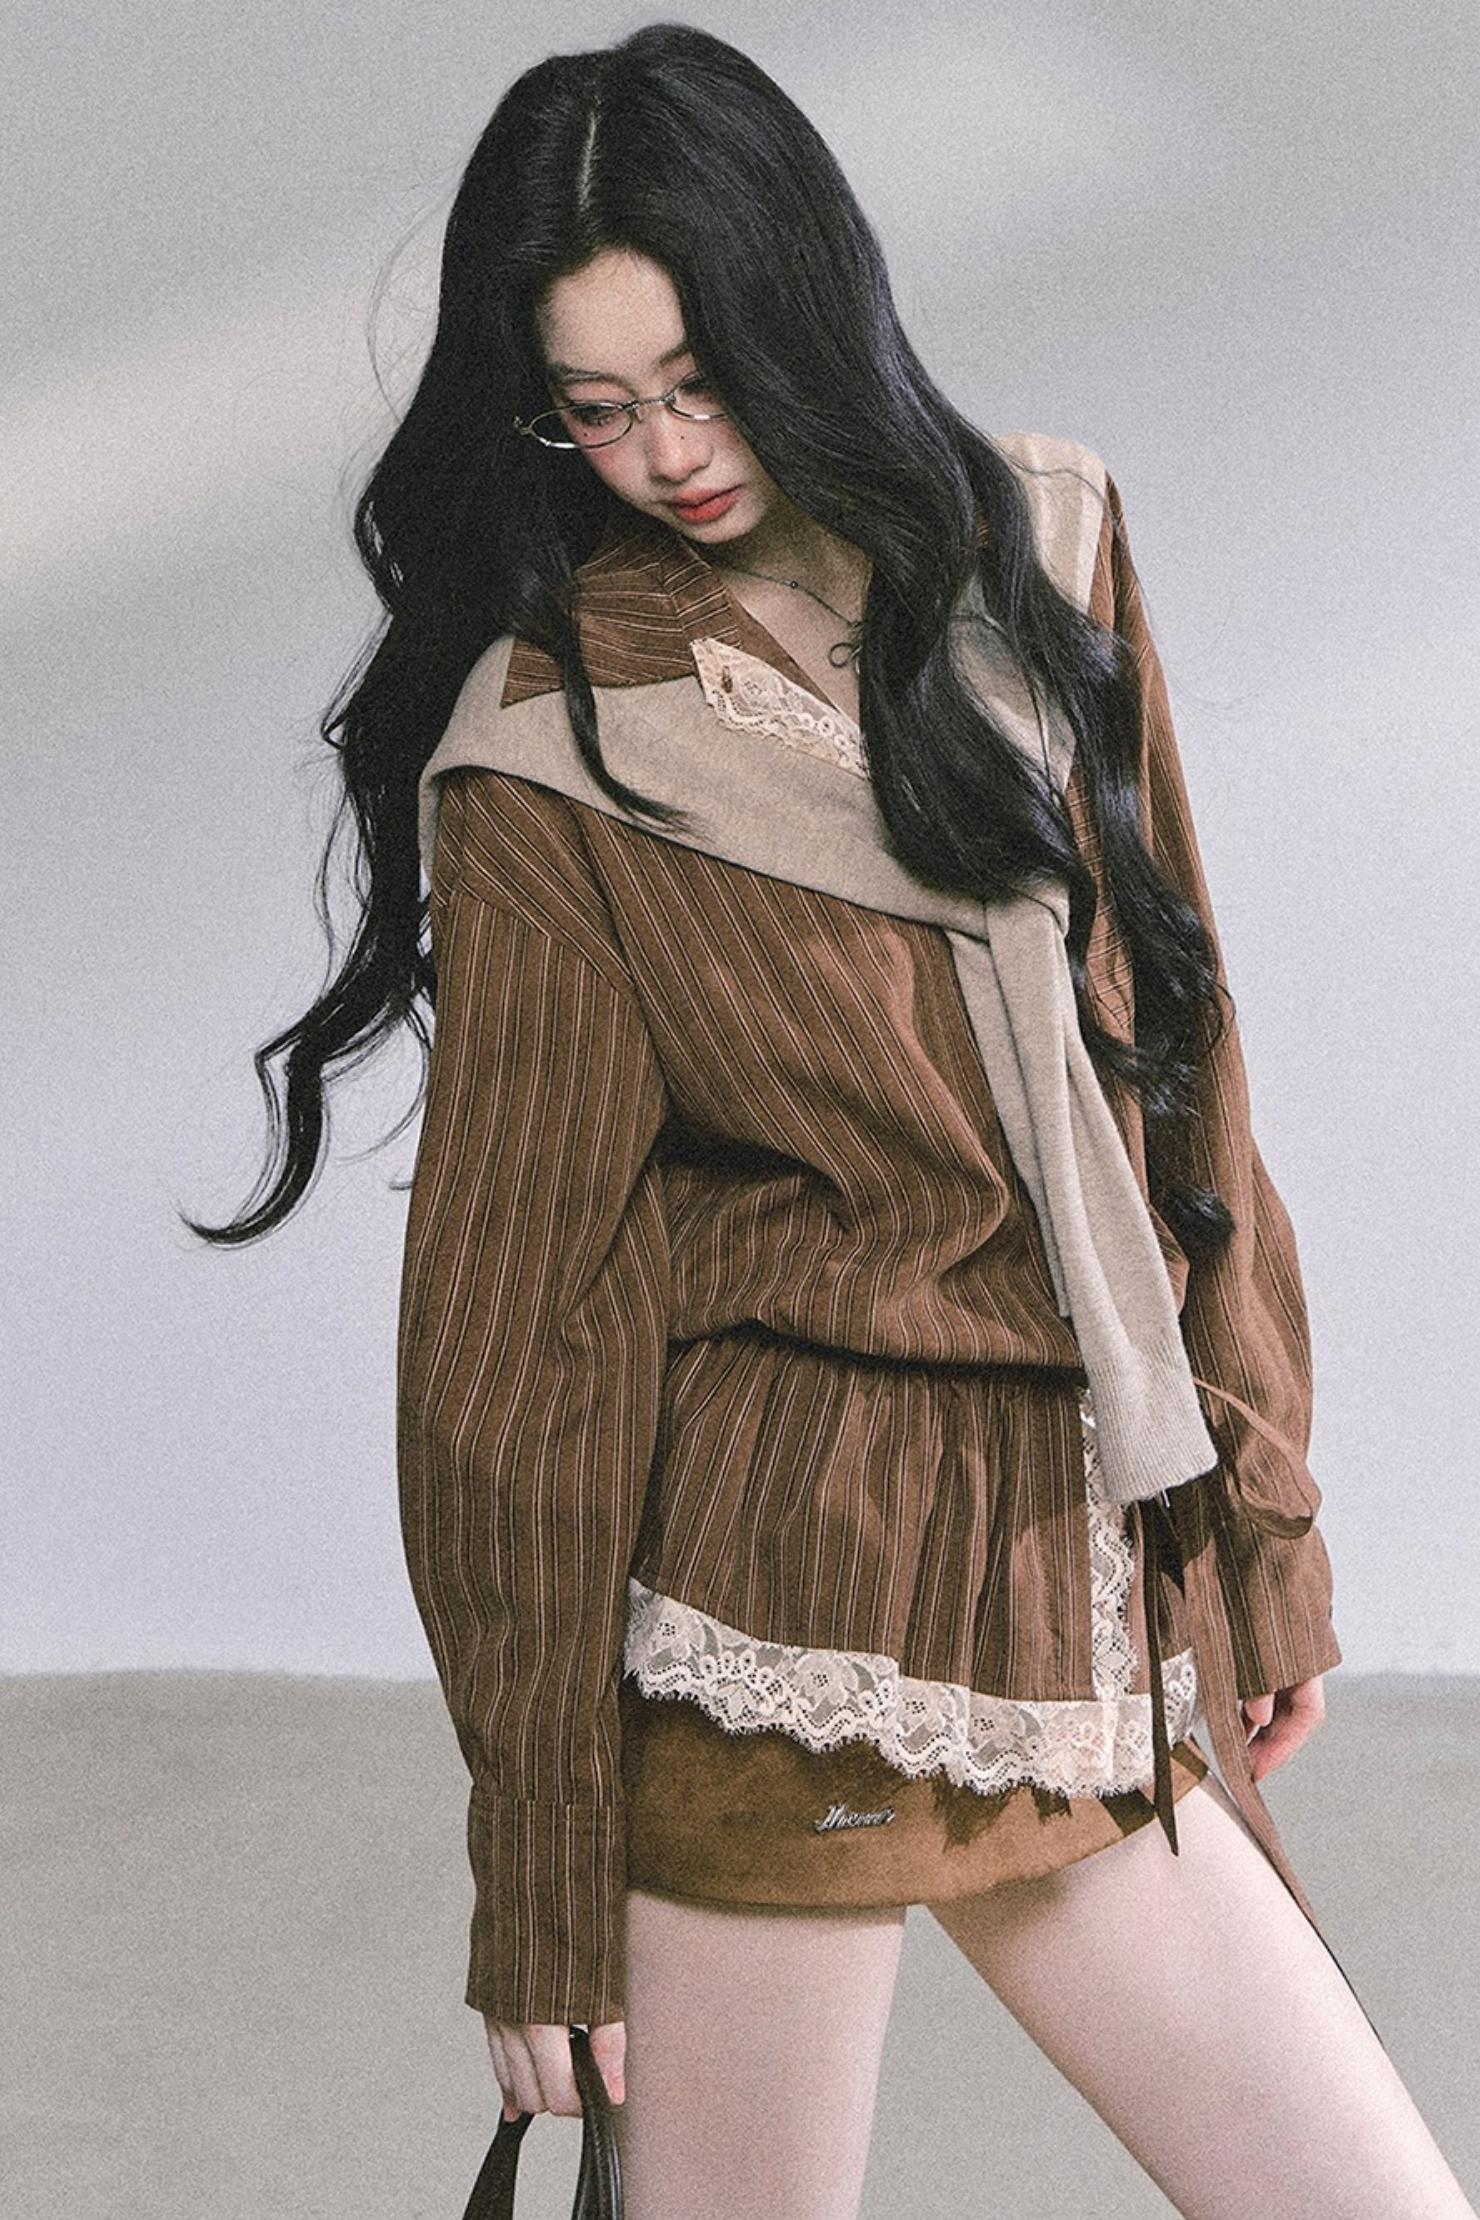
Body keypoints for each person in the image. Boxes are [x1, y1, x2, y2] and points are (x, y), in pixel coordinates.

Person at [186, 23, 1477, 2220]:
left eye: (700, 380)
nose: (665, 453)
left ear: (804, 307)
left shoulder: (1040, 547)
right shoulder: (555, 744)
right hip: (777, 1619)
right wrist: (541, 1869)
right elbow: (516, 1337)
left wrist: (1264, 1530)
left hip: (1078, 1578)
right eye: (594, 408)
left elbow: (1175, 1053)